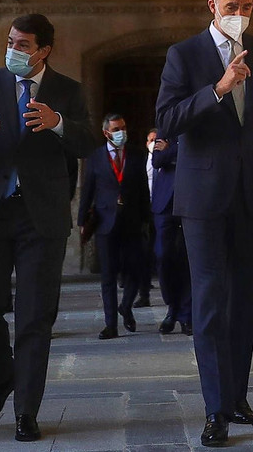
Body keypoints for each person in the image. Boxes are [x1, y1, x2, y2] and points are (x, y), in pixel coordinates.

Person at [0, 13, 95, 442]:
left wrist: (58, 122)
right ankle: (0, 378)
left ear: (44, 50)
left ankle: (26, 411)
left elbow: (88, 142)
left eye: (23, 45)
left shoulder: (68, 90)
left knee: (34, 316)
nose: (13, 50)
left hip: (40, 217)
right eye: (10, 41)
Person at [155, 0, 253, 447]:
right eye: (232, 7)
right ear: (212, 6)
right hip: (203, 199)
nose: (240, 15)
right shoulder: (184, 55)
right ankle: (215, 410)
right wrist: (218, 88)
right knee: (210, 302)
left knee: (245, 302)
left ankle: (236, 395)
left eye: (247, 7)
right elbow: (167, 119)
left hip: (252, 196)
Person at [77, 113, 150, 339]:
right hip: (105, 222)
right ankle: (111, 325)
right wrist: (81, 222)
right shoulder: (96, 158)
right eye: (116, 129)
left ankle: (126, 306)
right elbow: (87, 190)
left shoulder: (136, 155)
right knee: (108, 275)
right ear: (106, 132)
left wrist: (147, 219)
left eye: (123, 128)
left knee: (135, 270)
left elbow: (143, 190)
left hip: (131, 221)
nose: (121, 133)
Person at [148, 131, 192, 336]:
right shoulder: (166, 128)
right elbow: (157, 160)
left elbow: (196, 156)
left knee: (187, 259)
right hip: (164, 204)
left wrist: (171, 150)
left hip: (190, 201)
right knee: (163, 256)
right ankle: (172, 306)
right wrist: (178, 151)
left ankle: (185, 314)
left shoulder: (196, 126)